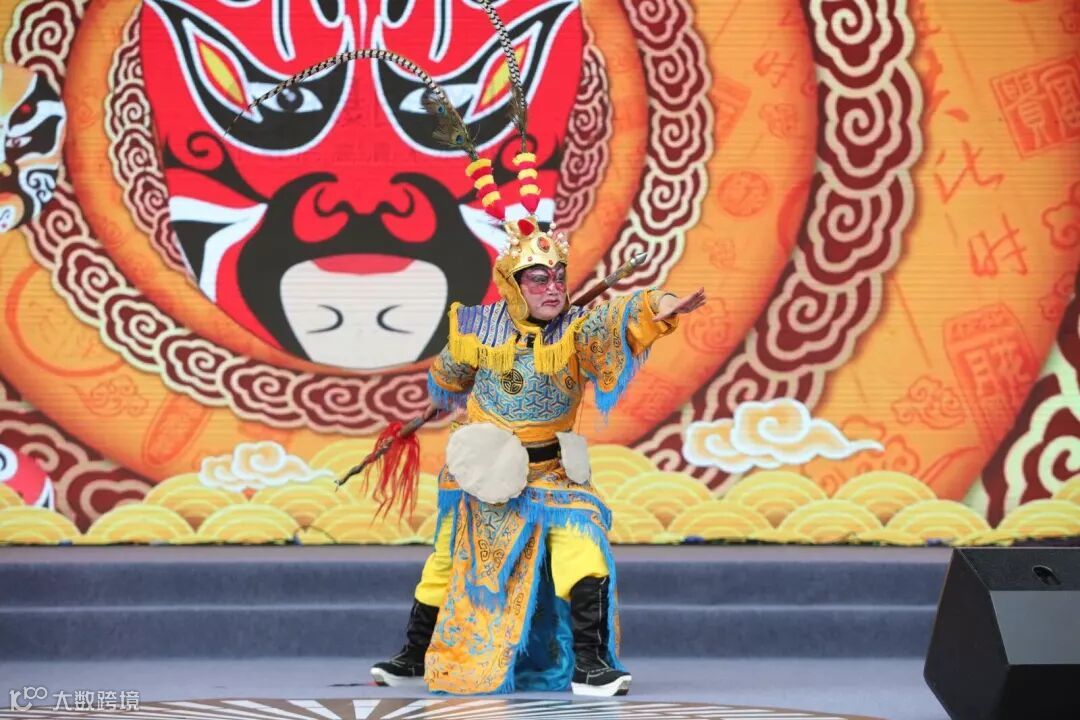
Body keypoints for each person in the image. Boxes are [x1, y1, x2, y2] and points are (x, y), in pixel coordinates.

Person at [369, 203, 706, 695]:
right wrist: (463, 368)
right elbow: (448, 381)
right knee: (445, 561)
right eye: (538, 279)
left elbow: (626, 315)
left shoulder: (578, 329)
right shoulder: (476, 328)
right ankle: (415, 655)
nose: (553, 288)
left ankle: (590, 664)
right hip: (484, 477)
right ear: (512, 284)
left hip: (553, 472)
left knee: (583, 547)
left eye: (559, 277)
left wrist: (664, 306)